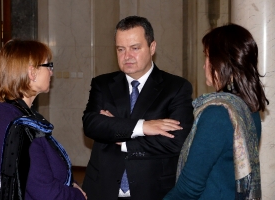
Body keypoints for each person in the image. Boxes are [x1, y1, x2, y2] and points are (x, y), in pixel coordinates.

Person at [82, 15, 194, 200]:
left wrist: (121, 136)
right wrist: (143, 127)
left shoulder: (176, 87)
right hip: (103, 189)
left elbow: (176, 141)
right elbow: (92, 124)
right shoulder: (102, 84)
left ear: (152, 47)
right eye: (121, 49)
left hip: (152, 190)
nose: (127, 56)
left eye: (135, 48)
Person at [163, 23, 268, 200]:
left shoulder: (217, 114)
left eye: (207, 57)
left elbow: (189, 188)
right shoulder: (248, 108)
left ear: (221, 62)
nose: (204, 66)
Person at [0, 39, 87, 200]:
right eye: (48, 66)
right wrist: (77, 195)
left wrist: (71, 184)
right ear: (31, 72)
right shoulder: (21, 126)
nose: (52, 72)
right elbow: (45, 192)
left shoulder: (9, 111)